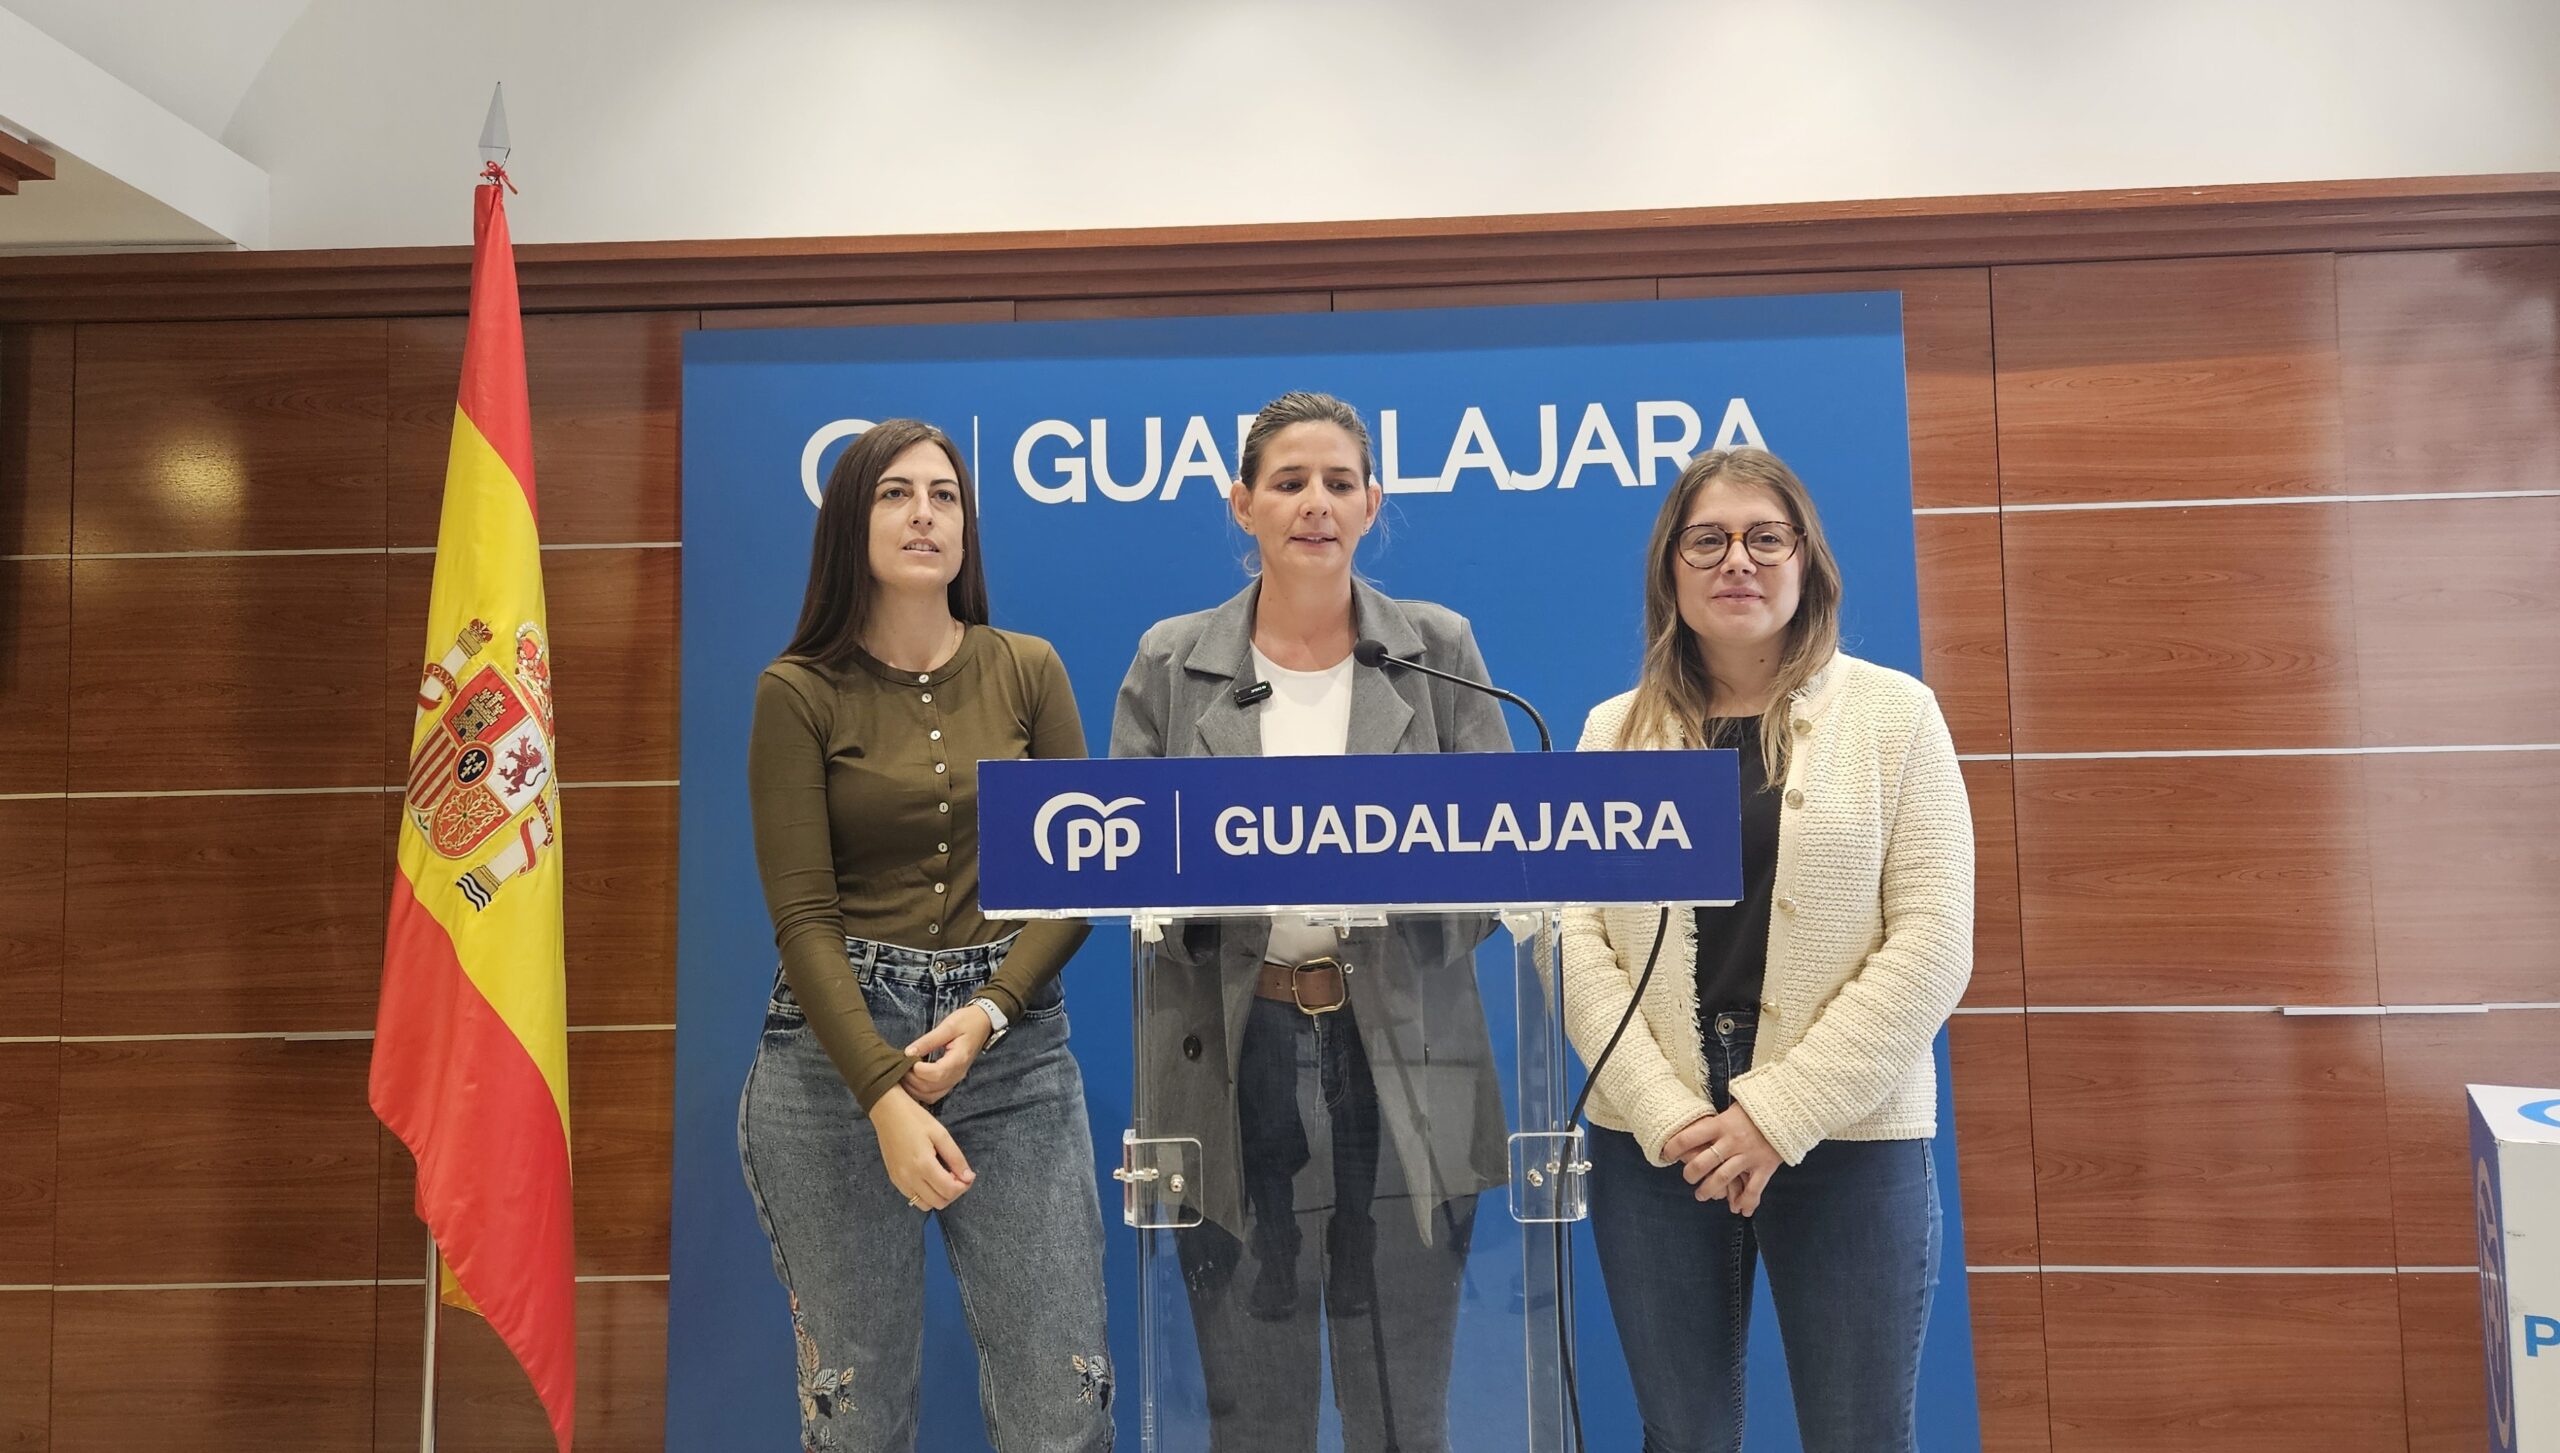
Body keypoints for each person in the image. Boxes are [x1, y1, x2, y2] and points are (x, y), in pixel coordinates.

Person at [1109, 391, 1509, 1453]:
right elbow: (1130, 872)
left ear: (1373, 503)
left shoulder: (1436, 649)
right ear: (1241, 504)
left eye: (1339, 482)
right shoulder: (1170, 661)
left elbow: (1502, 864)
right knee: (1256, 1421)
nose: (1315, 504)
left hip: (1404, 1051)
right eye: (1288, 483)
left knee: (1404, 1417)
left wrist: (1378, 890)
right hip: (1234, 1054)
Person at [1562, 447, 1973, 1453]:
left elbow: (1932, 941)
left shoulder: (1894, 715)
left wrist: (1774, 1115)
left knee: (1859, 1434)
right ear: (1670, 567)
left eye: (1764, 538)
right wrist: (1668, 1115)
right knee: (1683, 1435)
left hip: (1849, 1128)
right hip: (1659, 1139)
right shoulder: (1613, 732)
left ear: (1806, 562)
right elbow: (1573, 939)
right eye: (1706, 540)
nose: (1736, 560)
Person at [739, 418, 1113, 1453]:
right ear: (849, 525)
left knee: (1063, 1406)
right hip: (833, 1065)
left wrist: (991, 1010)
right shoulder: (796, 691)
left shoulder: (1029, 668)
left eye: (944, 495)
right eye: (896, 493)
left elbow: (1081, 883)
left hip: (1012, 1051)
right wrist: (882, 1095)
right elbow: (803, 917)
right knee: (856, 1417)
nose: (925, 514)